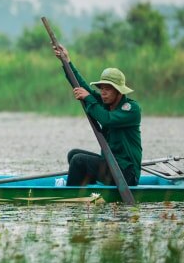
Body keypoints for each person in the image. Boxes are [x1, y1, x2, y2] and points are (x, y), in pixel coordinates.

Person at [53, 44, 142, 186]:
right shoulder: (105, 103)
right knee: (73, 154)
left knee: (79, 161)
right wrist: (66, 61)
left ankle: (72, 198)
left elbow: (107, 120)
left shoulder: (131, 109)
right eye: (101, 89)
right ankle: (88, 191)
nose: (103, 93)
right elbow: (82, 87)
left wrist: (88, 98)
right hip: (111, 165)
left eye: (108, 89)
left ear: (119, 92)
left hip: (126, 173)